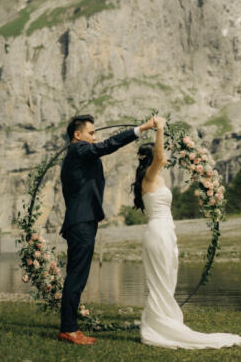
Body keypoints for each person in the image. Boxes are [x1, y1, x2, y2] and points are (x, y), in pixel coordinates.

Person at [132, 116, 241, 349]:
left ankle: (162, 321)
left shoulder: (155, 179)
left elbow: (160, 159)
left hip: (166, 231)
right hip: (157, 232)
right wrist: (160, 130)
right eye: (157, 156)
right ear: (150, 159)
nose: (164, 160)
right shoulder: (150, 176)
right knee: (160, 282)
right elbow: (161, 156)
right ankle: (158, 326)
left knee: (167, 279)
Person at [58, 114, 156, 346]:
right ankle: (69, 330)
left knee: (76, 276)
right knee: (76, 278)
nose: (95, 137)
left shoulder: (79, 154)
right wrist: (140, 129)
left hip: (82, 221)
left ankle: (69, 327)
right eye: (91, 133)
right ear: (77, 135)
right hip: (81, 222)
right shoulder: (78, 150)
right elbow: (107, 146)